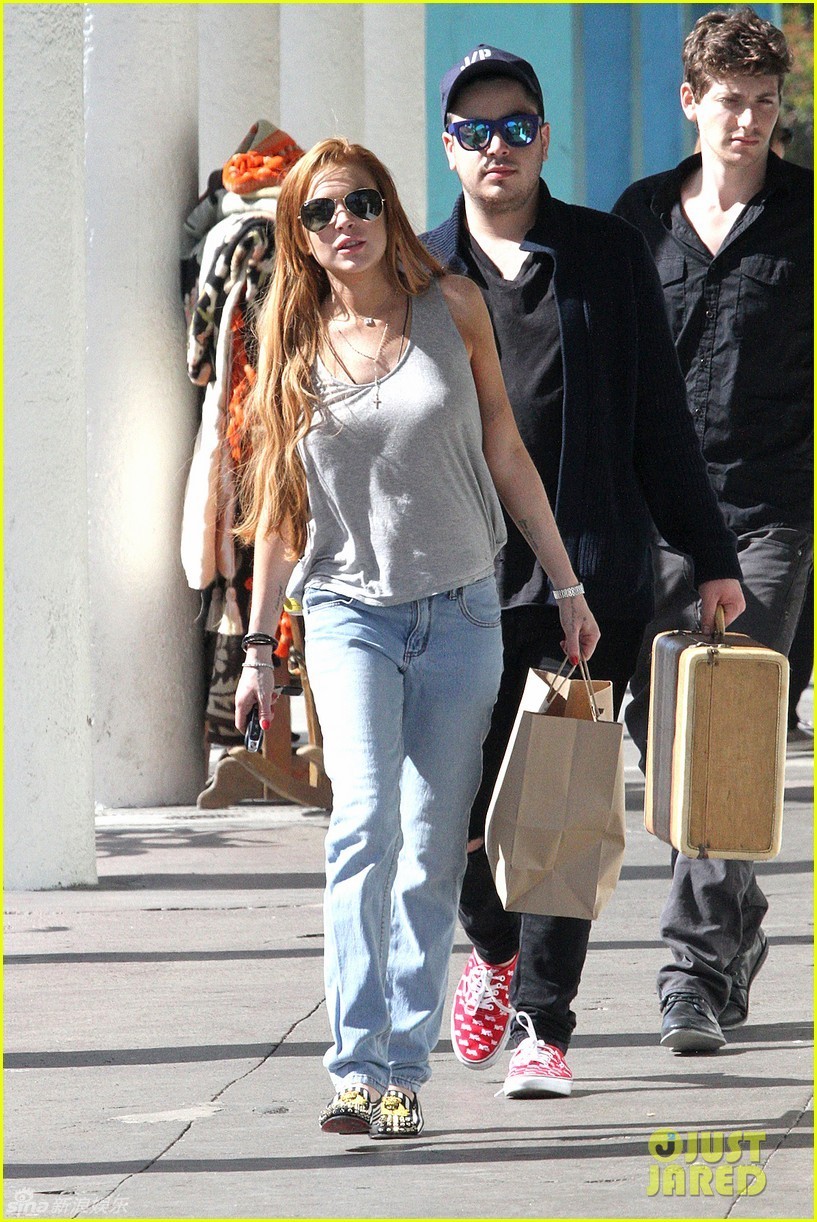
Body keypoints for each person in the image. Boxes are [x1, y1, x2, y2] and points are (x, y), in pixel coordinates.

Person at [234, 137, 600, 1137]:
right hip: (347, 611)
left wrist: (564, 583)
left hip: (463, 610)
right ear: (299, 235)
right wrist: (257, 650)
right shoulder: (294, 343)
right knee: (364, 822)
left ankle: (404, 1069)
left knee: (434, 841)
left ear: (388, 208)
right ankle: (353, 1068)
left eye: (359, 202)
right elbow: (279, 512)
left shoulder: (454, 307)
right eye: (319, 212)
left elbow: (505, 447)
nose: (342, 222)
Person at [422, 45, 745, 1099]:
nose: (498, 147)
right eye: (476, 131)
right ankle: (492, 946)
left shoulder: (604, 254)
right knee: (457, 810)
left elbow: (660, 419)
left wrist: (709, 555)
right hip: (459, 587)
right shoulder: (420, 272)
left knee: (558, 807)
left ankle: (542, 1025)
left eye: (516, 126)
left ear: (544, 137)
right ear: (449, 147)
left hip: (590, 585)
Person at [614, 6, 813, 1053]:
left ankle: (688, 971)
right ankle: (735, 915)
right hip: (654, 518)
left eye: (764, 103)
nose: (748, 121)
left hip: (767, 514)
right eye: (730, 101)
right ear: (690, 100)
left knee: (725, 726)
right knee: (660, 729)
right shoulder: (639, 217)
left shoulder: (807, 218)